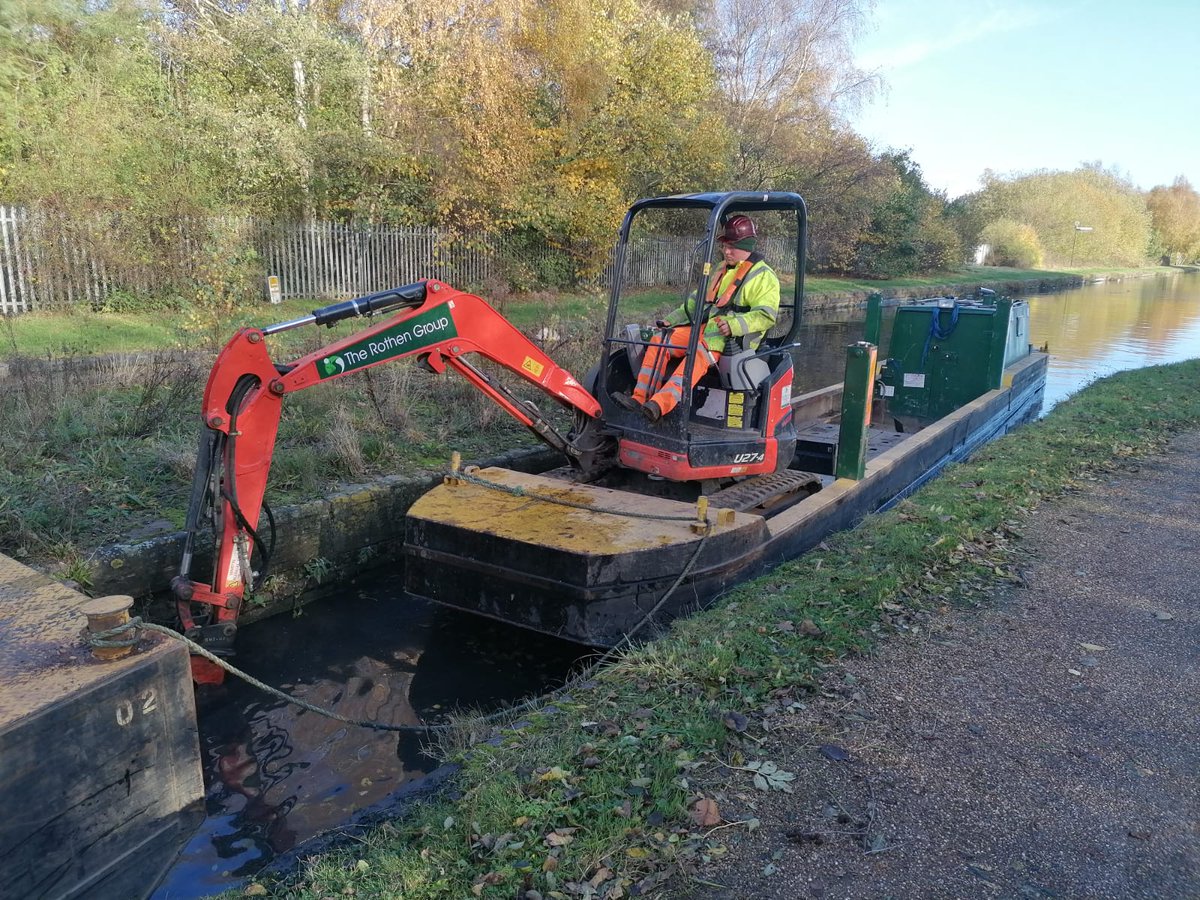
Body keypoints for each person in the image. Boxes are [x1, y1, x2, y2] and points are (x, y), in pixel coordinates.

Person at [614, 213, 781, 421]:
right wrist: (670, 321)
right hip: (708, 329)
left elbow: (765, 316)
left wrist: (734, 326)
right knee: (660, 339)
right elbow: (695, 303)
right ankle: (640, 398)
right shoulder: (721, 270)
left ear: (747, 246)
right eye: (724, 246)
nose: (726, 251)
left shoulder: (764, 277)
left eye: (732, 247)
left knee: (697, 353)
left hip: (734, 340)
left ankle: (659, 405)